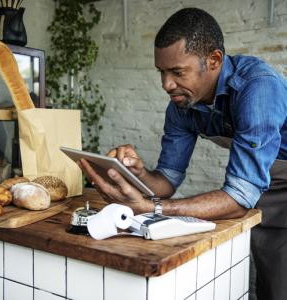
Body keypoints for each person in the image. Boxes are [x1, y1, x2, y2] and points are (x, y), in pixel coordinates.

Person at [79, 7, 287, 300]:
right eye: (162, 72)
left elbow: (239, 197)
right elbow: (166, 181)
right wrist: (137, 174)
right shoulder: (183, 103)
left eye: (177, 72)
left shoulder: (258, 88)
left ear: (213, 60)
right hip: (263, 183)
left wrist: (154, 209)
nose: (167, 85)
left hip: (259, 185)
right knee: (271, 281)